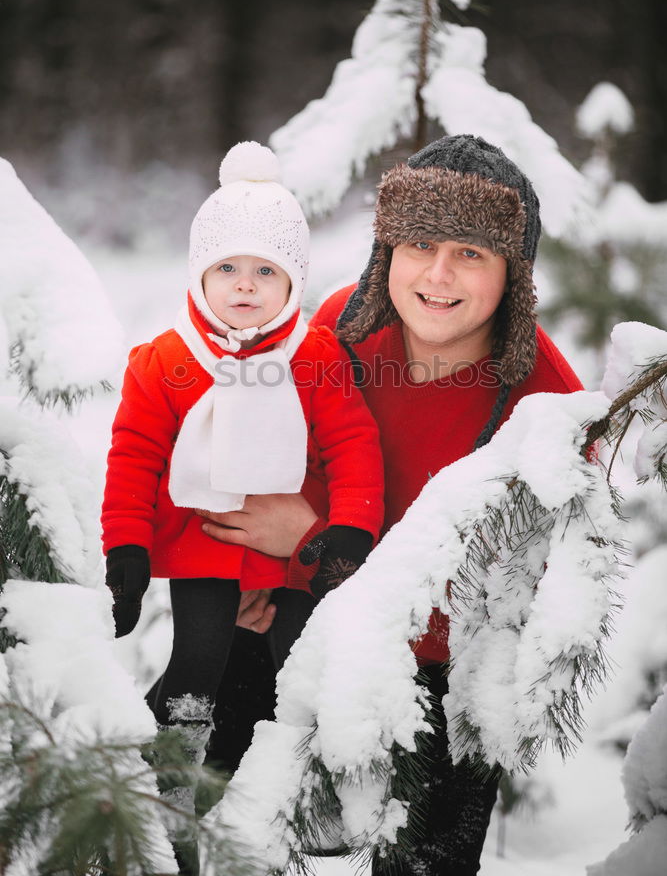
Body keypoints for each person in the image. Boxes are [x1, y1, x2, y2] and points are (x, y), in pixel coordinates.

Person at [199, 134, 585, 875]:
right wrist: (254, 563)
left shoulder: (547, 404)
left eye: (470, 253)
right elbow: (275, 461)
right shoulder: (345, 326)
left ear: (514, 274)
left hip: (442, 673)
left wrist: (311, 545)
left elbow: (490, 604)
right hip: (301, 623)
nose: (437, 275)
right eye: (417, 244)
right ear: (386, 255)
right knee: (201, 789)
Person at [101, 141, 384, 871]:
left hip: (294, 556)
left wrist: (350, 526)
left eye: (266, 270)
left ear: (293, 278)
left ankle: (297, 789)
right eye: (226, 267)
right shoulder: (166, 359)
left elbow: (353, 442)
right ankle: (168, 788)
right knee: (198, 658)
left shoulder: (314, 354)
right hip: (204, 542)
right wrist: (125, 549)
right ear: (200, 272)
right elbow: (133, 455)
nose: (245, 286)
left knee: (297, 665)